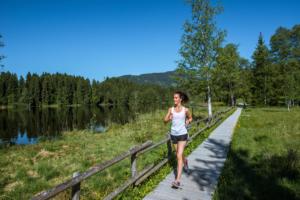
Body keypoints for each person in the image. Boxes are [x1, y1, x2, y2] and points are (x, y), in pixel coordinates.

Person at [164, 91, 192, 188]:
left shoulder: (185, 110)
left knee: (178, 155)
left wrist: (188, 120)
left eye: (176, 98)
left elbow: (190, 117)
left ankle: (177, 180)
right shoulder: (171, 109)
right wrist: (169, 118)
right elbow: (164, 121)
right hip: (174, 135)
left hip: (183, 134)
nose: (174, 99)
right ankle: (186, 161)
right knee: (179, 154)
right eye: (174, 97)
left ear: (180, 99)